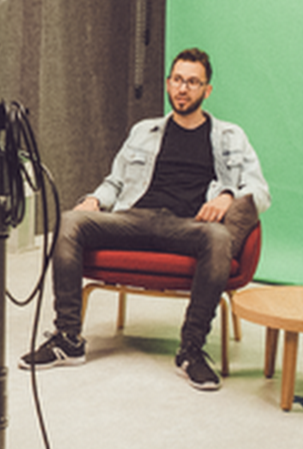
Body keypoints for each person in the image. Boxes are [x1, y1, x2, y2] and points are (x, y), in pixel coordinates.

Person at [21, 48, 270, 390]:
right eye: (178, 80)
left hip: (187, 226)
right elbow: (115, 182)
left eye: (193, 83)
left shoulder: (229, 137)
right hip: (134, 218)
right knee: (68, 222)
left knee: (218, 237)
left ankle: (191, 350)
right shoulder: (144, 131)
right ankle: (68, 338)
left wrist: (227, 196)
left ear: (207, 90)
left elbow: (259, 189)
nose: (183, 89)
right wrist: (94, 199)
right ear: (169, 83)